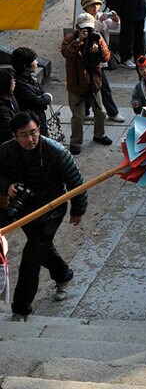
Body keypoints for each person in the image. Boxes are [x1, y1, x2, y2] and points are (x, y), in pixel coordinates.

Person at [0, 112, 86, 319]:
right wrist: (7, 186)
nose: (30, 139)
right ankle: (63, 275)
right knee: (41, 249)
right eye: (24, 135)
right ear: (14, 135)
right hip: (24, 208)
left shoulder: (56, 153)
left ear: (39, 129)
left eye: (34, 133)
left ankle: (21, 309)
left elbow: (76, 182)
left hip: (51, 209)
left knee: (31, 257)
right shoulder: (6, 150)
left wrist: (77, 210)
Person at [60, 14, 113, 155]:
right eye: (84, 29)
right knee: (78, 116)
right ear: (77, 28)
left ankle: (99, 135)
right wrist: (79, 41)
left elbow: (107, 56)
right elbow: (66, 53)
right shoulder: (70, 39)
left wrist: (99, 48)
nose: (87, 31)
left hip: (93, 83)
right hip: (76, 85)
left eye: (89, 28)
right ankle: (75, 142)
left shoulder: (97, 37)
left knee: (100, 112)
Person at [79, 0, 124, 122]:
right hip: (90, 58)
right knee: (103, 86)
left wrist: (116, 19)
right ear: (85, 7)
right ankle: (112, 112)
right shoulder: (83, 19)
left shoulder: (100, 16)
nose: (95, 8)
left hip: (101, 56)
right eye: (92, 5)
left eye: (97, 5)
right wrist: (99, 21)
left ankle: (86, 111)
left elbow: (114, 26)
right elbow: (91, 32)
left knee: (92, 86)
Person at [9, 48, 51, 136]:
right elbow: (39, 102)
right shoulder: (21, 85)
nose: (37, 62)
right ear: (25, 66)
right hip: (30, 124)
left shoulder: (29, 79)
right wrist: (48, 97)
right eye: (34, 60)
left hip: (37, 120)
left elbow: (40, 93)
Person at [0, 68, 19, 144]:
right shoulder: (2, 108)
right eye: (13, 81)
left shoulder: (10, 95)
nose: (15, 83)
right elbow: (8, 128)